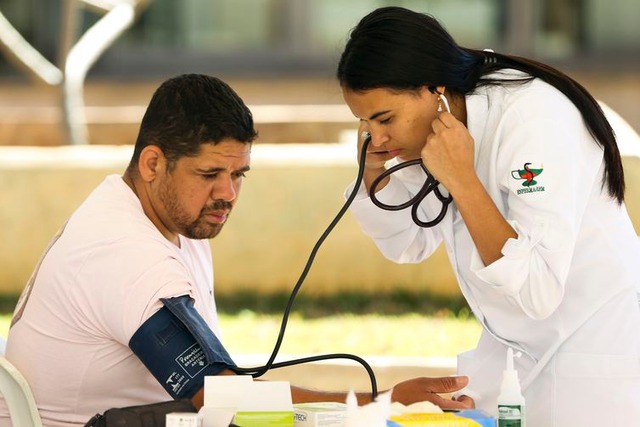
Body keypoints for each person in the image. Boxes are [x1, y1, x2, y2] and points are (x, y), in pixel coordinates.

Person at [0, 74, 472, 427]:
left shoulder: (152, 212)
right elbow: (218, 396)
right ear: (152, 164)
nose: (227, 193)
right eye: (210, 175)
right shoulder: (123, 253)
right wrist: (384, 402)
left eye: (239, 174)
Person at [336, 6, 640, 427]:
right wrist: (373, 179)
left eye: (385, 118)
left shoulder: (532, 119)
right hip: (517, 354)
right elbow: (410, 244)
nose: (378, 138)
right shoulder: (436, 127)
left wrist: (462, 179)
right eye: (365, 122)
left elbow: (537, 288)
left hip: (591, 353)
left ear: (434, 90)